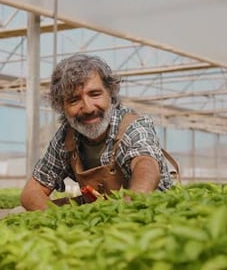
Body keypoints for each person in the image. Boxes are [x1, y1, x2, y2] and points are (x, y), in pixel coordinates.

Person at [20, 53, 178, 211]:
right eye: (74, 100)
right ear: (62, 107)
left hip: (151, 211)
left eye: (95, 94)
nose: (88, 108)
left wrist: (125, 213)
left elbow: (146, 168)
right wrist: (60, 219)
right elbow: (32, 192)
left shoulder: (133, 126)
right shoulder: (66, 138)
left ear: (111, 93)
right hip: (104, 213)